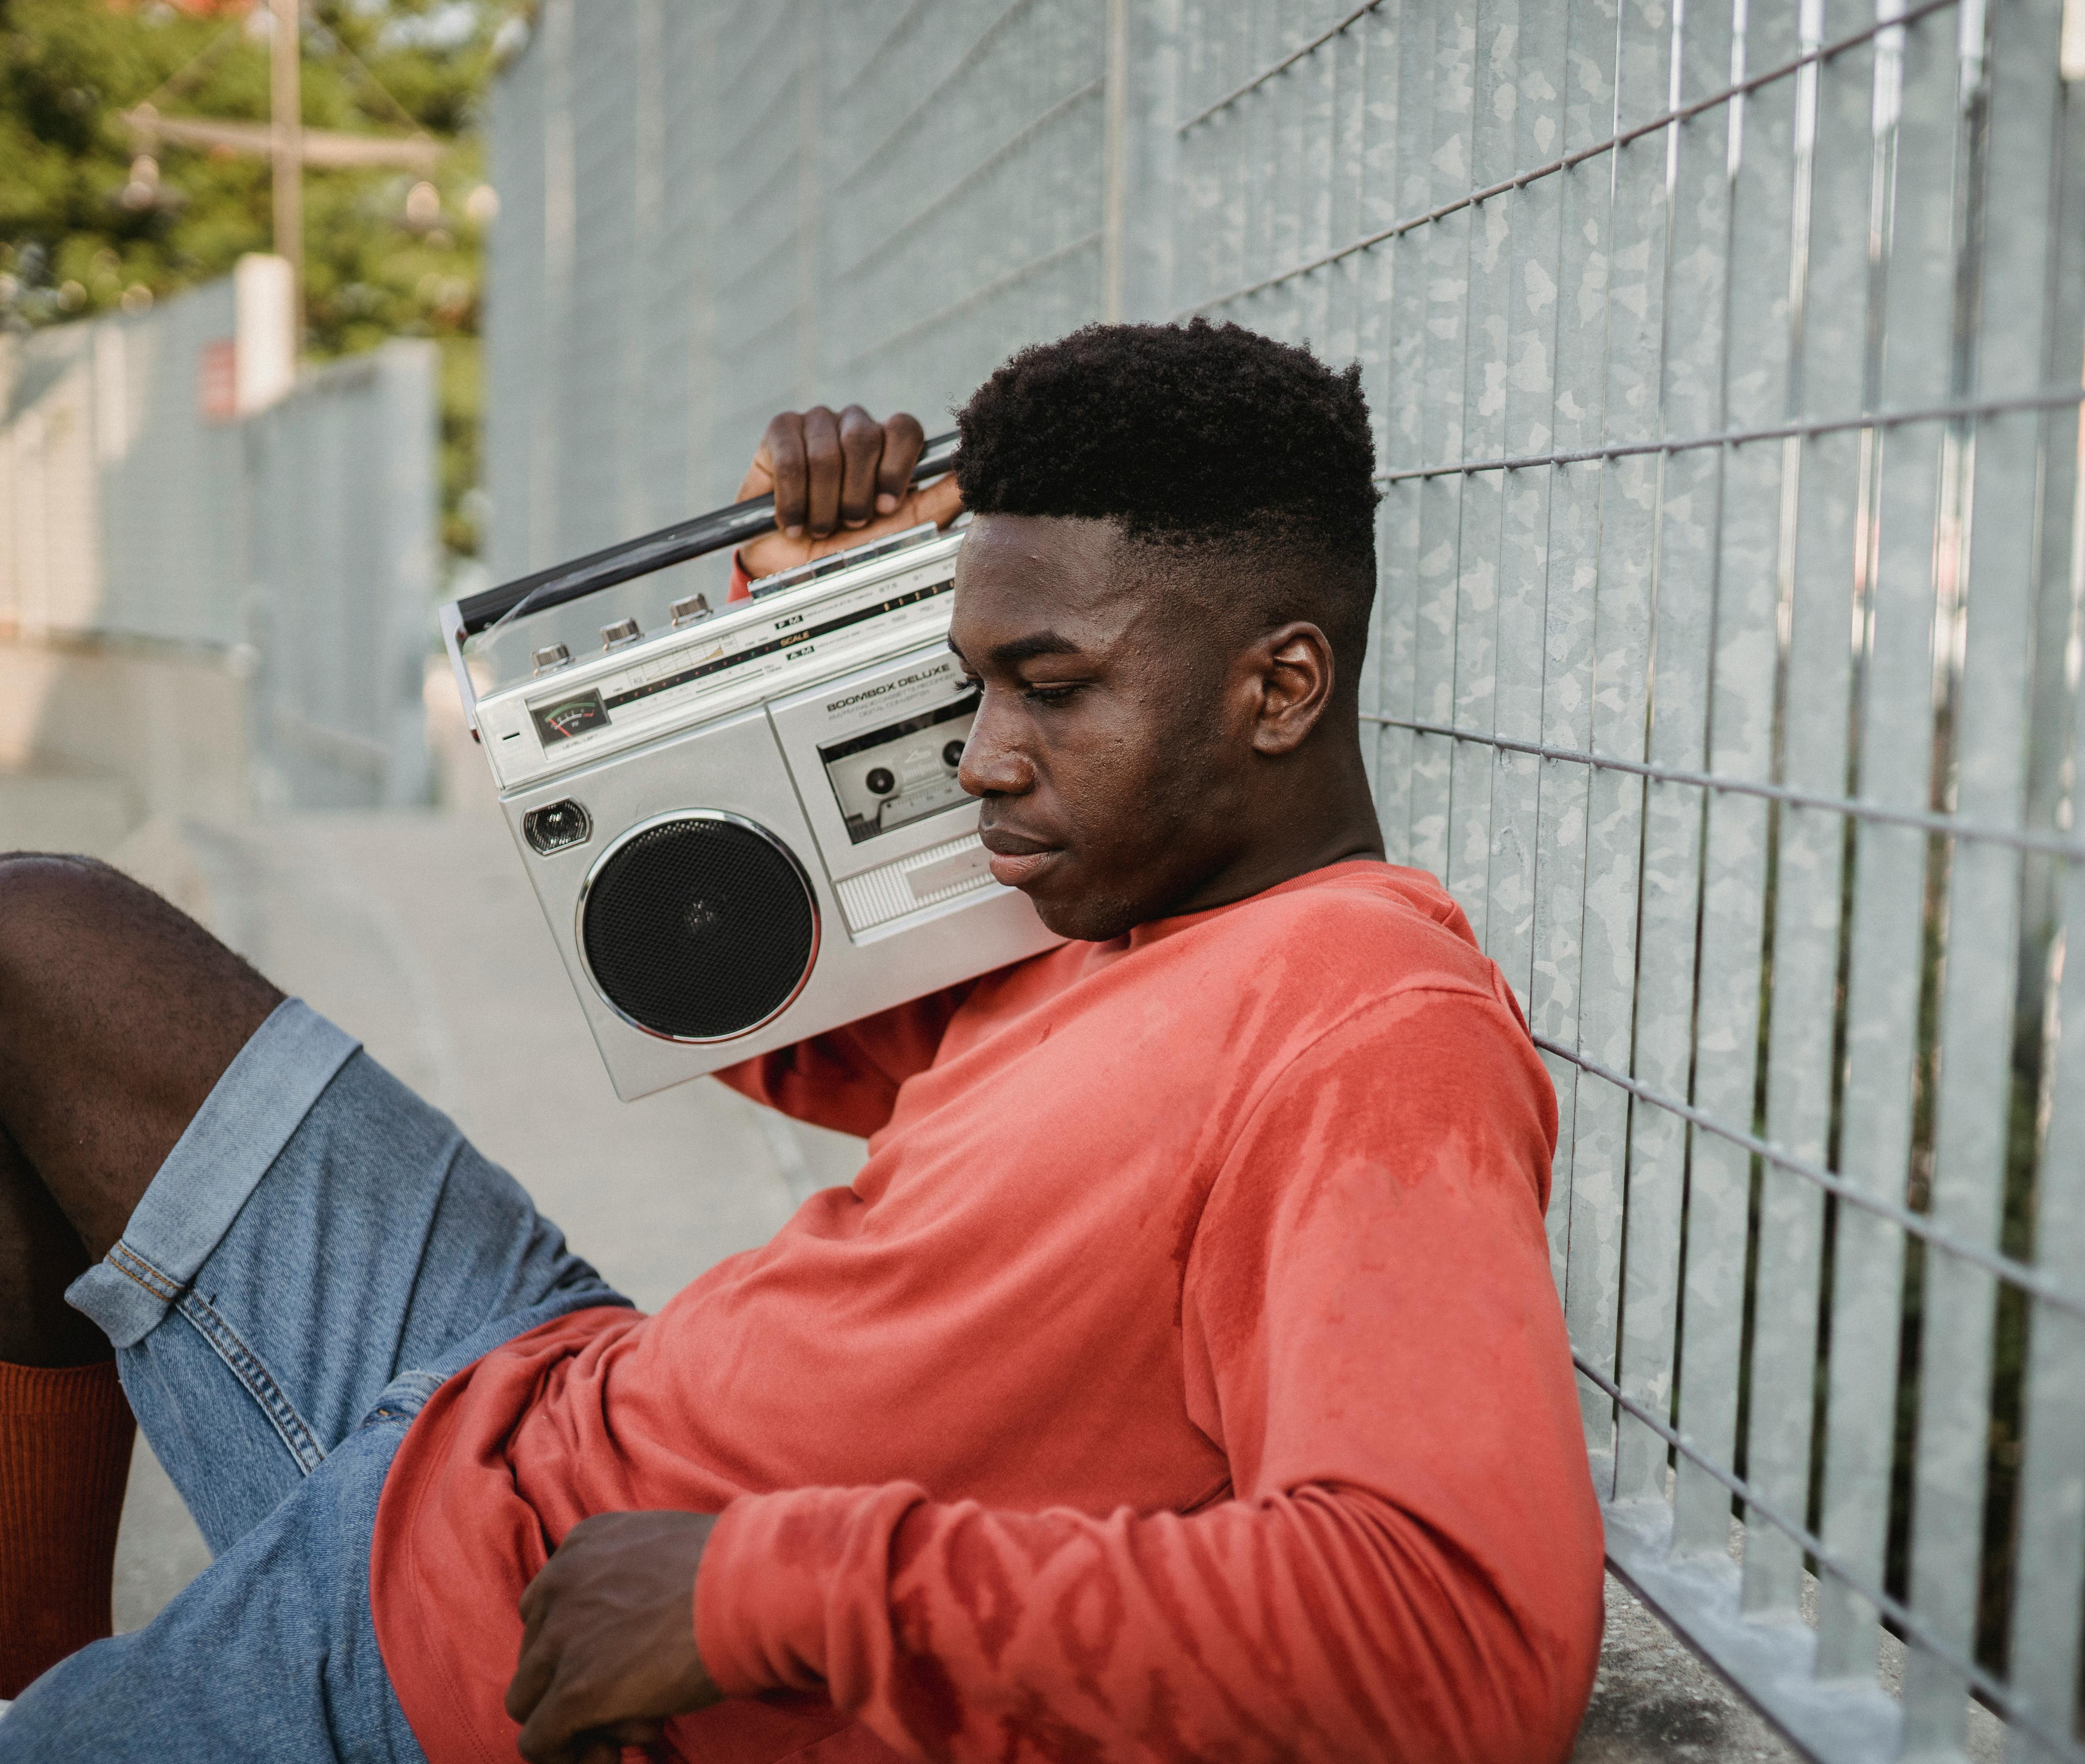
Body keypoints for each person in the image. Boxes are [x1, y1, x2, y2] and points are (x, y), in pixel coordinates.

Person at [0, 320, 1604, 1763]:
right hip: (528, 1405)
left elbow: (1457, 1645)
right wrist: (816, 596)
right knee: (39, 942)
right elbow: (744, 1000)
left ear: (1283, 688)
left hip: (532, 1642)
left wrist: (769, 1588)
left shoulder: (1375, 1037)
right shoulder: (1122, 910)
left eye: (1049, 686)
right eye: (972, 684)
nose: (982, 757)